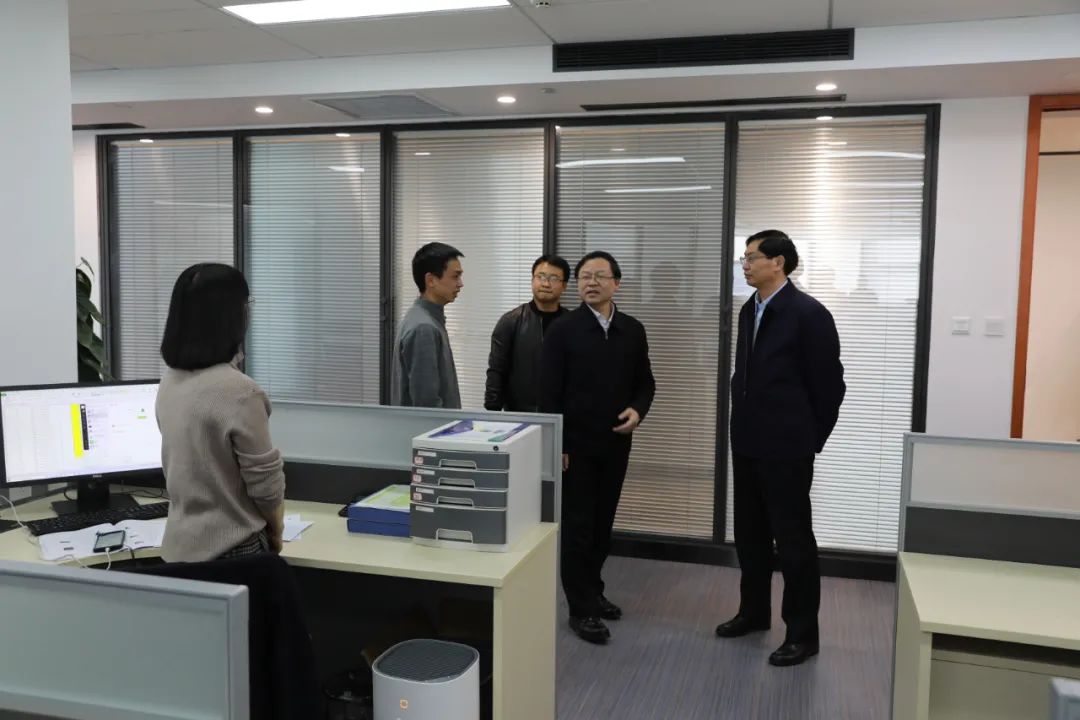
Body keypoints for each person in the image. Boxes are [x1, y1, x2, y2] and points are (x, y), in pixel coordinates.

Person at [715, 229, 845, 667]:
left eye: (752, 257)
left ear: (779, 262)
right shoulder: (748, 309)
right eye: (744, 258)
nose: (745, 264)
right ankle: (753, 612)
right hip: (748, 441)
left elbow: (830, 386)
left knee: (793, 542)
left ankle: (803, 634)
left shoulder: (808, 314)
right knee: (750, 536)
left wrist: (810, 438)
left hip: (787, 447)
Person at [540, 250, 656, 644]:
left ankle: (594, 591)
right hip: (574, 447)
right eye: (584, 276)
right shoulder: (564, 330)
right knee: (578, 528)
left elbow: (646, 382)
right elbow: (548, 393)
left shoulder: (632, 329)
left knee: (603, 525)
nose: (590, 282)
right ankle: (581, 609)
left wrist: (638, 410)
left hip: (616, 443)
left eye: (599, 276)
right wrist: (556, 443)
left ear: (616, 283)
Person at [156, 263, 286, 562]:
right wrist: (277, 532)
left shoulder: (169, 382)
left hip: (178, 551)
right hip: (234, 552)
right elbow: (266, 488)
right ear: (234, 316)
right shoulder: (240, 391)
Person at [484, 254, 571, 412]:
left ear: (564, 286)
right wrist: (492, 411)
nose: (545, 283)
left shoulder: (572, 324)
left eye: (553, 278)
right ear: (532, 280)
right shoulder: (511, 321)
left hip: (563, 415)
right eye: (540, 277)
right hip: (520, 413)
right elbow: (496, 370)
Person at [390, 242, 464, 408]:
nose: (460, 284)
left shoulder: (425, 319)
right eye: (455, 276)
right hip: (433, 425)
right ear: (431, 280)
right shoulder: (424, 328)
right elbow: (427, 405)